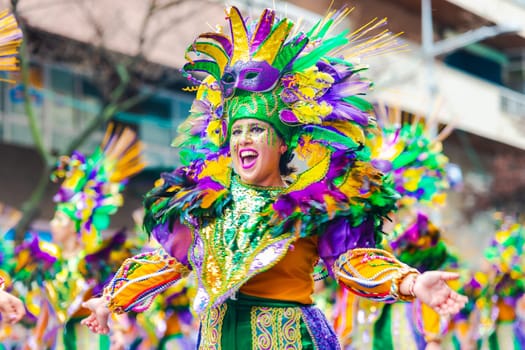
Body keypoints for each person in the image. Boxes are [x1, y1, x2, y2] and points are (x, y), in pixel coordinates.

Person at [82, 6, 467, 349]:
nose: (243, 140)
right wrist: (109, 299)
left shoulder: (314, 204)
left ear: (282, 144)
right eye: (236, 131)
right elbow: (164, 261)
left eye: (255, 130)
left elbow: (354, 262)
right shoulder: (205, 203)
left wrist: (413, 283)